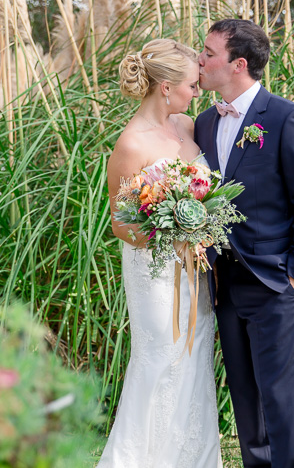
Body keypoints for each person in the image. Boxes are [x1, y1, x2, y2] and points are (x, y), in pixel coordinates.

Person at [194, 19, 294, 468]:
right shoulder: (202, 123)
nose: (200, 59)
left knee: (282, 402)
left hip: (275, 284)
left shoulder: (287, 118)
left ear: (237, 65)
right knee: (246, 404)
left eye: (208, 52)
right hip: (225, 286)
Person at [100, 39, 223, 468]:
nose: (199, 89)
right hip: (154, 273)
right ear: (166, 87)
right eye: (193, 83)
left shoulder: (189, 126)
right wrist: (169, 232)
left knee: (194, 359)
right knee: (161, 360)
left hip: (195, 271)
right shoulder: (131, 144)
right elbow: (120, 223)